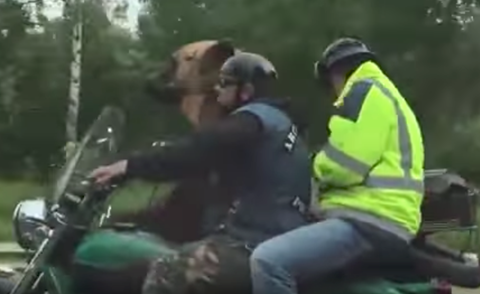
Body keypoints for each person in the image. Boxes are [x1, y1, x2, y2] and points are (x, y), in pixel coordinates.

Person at [89, 52, 313, 294]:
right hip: (275, 239)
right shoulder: (281, 126)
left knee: (167, 272)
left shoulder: (252, 120)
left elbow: (196, 152)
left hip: (253, 244)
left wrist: (128, 167)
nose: (217, 89)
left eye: (225, 83)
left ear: (246, 90)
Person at [249, 37, 425, 294]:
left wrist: (311, 167)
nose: (332, 90)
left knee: (268, 260)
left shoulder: (362, 92)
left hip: (367, 219)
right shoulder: (388, 96)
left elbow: (346, 165)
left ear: (336, 72)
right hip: (389, 220)